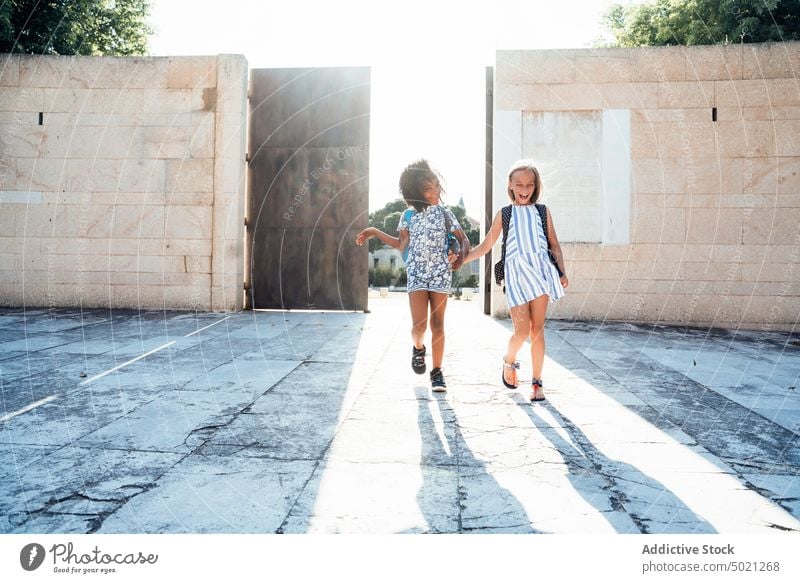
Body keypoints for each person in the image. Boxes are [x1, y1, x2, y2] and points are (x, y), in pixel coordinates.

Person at [355, 159, 470, 392]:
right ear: (416, 192)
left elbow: (463, 239)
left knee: (438, 325)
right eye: (428, 189)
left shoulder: (447, 213)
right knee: (419, 327)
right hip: (416, 274)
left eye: (437, 185)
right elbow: (400, 244)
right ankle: (418, 348)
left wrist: (459, 257)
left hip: (440, 274)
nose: (435, 191)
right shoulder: (408, 216)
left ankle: (437, 372)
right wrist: (374, 231)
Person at [464, 160, 568, 402]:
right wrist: (462, 259)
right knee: (521, 331)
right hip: (516, 276)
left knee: (537, 330)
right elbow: (486, 246)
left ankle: (537, 382)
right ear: (510, 185)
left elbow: (554, 244)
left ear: (536, 186)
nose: (525, 189)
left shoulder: (542, 211)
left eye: (530, 184)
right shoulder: (505, 214)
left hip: (541, 273)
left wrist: (562, 271)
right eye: (519, 184)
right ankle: (509, 360)